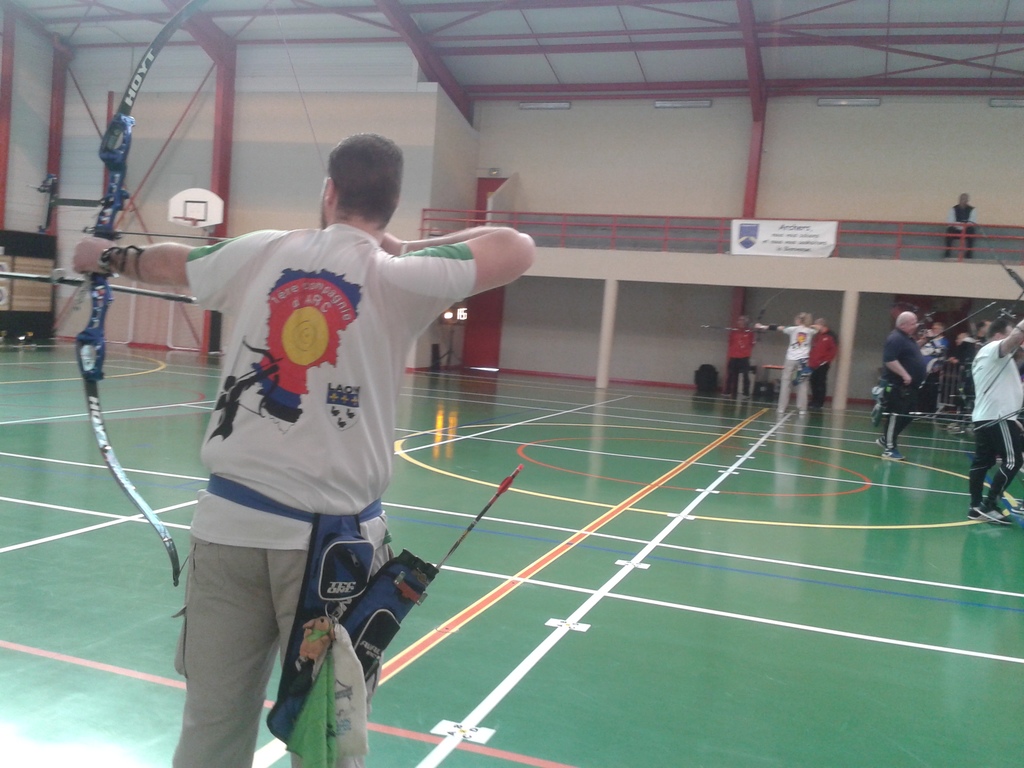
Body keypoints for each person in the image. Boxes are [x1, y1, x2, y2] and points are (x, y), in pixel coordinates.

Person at [73, 133, 536, 768]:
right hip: (332, 550)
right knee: (325, 738)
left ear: (329, 191)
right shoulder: (400, 275)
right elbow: (515, 245)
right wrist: (399, 247)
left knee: (212, 726)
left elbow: (173, 261)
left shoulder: (263, 249)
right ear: (392, 204)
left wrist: (106, 255)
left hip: (230, 528)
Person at [966, 317, 1024, 524]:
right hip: (998, 417)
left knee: (982, 462)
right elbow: (1015, 338)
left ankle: (975, 507)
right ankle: (989, 505)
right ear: (999, 335)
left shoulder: (993, 358)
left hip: (988, 417)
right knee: (1013, 461)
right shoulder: (993, 349)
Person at [877, 311, 926, 460]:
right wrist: (904, 374)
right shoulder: (895, 338)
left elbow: (908, 352)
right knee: (896, 416)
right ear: (903, 325)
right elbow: (889, 360)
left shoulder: (907, 339)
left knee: (909, 415)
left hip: (910, 388)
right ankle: (889, 449)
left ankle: (886, 439)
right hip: (897, 386)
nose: (916, 325)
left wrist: (923, 341)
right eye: (913, 323)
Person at [754, 312, 817, 416]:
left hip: (791, 359)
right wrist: (809, 325)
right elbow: (818, 327)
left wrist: (762, 326)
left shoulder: (792, 329)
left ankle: (781, 408)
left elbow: (777, 327)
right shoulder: (810, 331)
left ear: (799, 320)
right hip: (803, 360)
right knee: (803, 383)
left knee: (786, 382)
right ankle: (802, 409)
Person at [807, 317, 837, 409]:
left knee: (821, 382)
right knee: (813, 381)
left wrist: (826, 361)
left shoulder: (831, 336)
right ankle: (814, 400)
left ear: (821, 325)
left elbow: (833, 350)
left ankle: (819, 402)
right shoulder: (817, 336)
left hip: (823, 364)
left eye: (816, 325)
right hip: (813, 363)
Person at [724, 314, 755, 399]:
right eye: (739, 320)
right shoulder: (734, 332)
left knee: (745, 375)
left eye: (743, 320)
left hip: (744, 356)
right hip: (734, 355)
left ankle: (746, 393)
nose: (741, 322)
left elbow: (752, 344)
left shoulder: (750, 333)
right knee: (730, 374)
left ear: (746, 322)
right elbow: (730, 342)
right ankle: (727, 391)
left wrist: (745, 350)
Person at [944, 193, 977, 259]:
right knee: (949, 230)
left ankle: (969, 254)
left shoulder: (972, 209)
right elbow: (950, 221)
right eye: (961, 199)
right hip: (956, 229)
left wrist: (963, 226)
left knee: (972, 230)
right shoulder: (953, 209)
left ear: (967, 200)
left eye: (965, 199)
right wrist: (960, 225)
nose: (963, 201)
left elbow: (972, 222)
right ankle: (947, 253)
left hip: (966, 229)